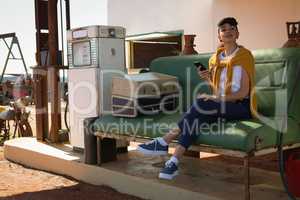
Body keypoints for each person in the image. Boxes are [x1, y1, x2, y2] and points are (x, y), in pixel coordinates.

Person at [137, 17, 257, 180]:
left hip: (240, 107)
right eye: (223, 29)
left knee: (202, 102)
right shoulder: (215, 59)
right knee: (196, 120)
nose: (227, 31)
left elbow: (243, 93)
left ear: (237, 33)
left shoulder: (244, 56)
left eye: (231, 28)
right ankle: (173, 162)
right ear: (219, 36)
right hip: (222, 105)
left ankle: (165, 140)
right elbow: (217, 88)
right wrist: (207, 79)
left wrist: (214, 98)